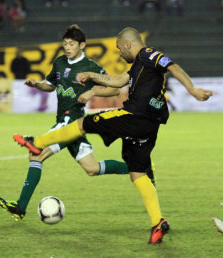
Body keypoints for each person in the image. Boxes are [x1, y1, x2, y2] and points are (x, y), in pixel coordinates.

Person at [13, 27, 213, 244]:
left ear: (128, 44)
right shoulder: (138, 65)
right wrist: (91, 76)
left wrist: (192, 90)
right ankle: (158, 222)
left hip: (134, 115)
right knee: (137, 173)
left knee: (83, 123)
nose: (118, 53)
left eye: (119, 49)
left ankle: (37, 142)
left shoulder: (147, 54)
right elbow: (118, 81)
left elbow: (173, 66)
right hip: (150, 126)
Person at [0, 25, 156, 222]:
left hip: (71, 120)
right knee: (92, 168)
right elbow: (50, 85)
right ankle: (140, 168)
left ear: (82, 45)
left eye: (71, 44)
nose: (67, 47)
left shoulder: (90, 67)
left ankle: (20, 207)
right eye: (65, 44)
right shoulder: (60, 63)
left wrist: (93, 91)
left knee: (35, 155)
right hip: (68, 124)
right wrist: (37, 84)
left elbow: (114, 90)